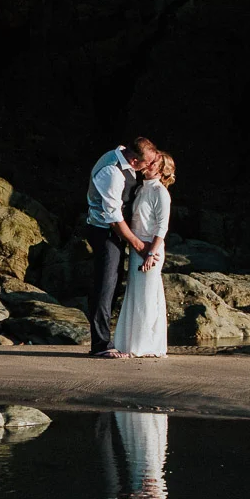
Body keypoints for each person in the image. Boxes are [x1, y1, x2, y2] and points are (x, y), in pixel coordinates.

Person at [84, 137, 161, 357]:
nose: (149, 166)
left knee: (114, 284)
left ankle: (112, 338)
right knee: (105, 285)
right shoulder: (112, 172)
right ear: (135, 160)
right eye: (147, 163)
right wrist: (138, 245)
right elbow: (113, 218)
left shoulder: (121, 152)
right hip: (104, 231)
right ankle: (100, 345)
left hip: (116, 231)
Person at [114, 152, 174, 357]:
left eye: (154, 163)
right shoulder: (140, 189)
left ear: (161, 169)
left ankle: (145, 345)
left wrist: (151, 253)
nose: (148, 165)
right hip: (137, 248)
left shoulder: (160, 192)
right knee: (135, 294)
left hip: (151, 251)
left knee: (148, 296)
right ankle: (130, 343)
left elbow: (162, 226)